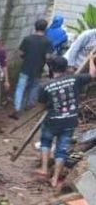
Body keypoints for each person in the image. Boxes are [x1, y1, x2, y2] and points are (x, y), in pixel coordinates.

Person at [37, 55, 96, 187]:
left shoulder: (45, 86)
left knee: (46, 142)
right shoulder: (75, 79)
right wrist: (91, 59)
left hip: (52, 121)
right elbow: (93, 74)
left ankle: (44, 170)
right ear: (66, 68)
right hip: (69, 121)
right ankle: (55, 179)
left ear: (51, 69)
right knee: (61, 150)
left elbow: (42, 106)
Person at [11, 19, 54, 119]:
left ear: (35, 26)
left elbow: (20, 53)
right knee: (34, 86)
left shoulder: (27, 39)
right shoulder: (48, 41)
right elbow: (48, 57)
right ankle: (30, 103)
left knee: (20, 88)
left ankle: (17, 108)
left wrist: (26, 56)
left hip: (25, 68)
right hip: (38, 69)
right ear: (45, 28)